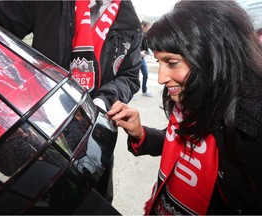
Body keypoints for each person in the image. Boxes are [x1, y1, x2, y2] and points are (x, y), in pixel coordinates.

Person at [0, 0, 141, 209]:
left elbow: (130, 75)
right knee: (42, 197)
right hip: (42, 124)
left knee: (92, 198)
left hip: (95, 126)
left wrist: (103, 100)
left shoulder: (129, 20)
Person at [107, 0, 262, 215]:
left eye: (171, 63)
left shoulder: (251, 128)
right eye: (158, 62)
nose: (161, 78)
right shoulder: (200, 97)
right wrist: (141, 133)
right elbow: (182, 141)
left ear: (212, 55)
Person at [140, 20, 153, 97]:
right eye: (148, 26)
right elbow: (132, 48)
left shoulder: (146, 35)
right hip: (135, 59)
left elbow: (146, 47)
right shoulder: (137, 34)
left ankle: (144, 90)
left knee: (145, 74)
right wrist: (139, 53)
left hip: (142, 59)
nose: (149, 28)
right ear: (143, 26)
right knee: (134, 77)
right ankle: (131, 93)